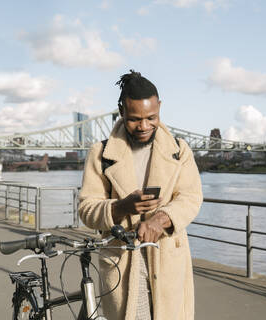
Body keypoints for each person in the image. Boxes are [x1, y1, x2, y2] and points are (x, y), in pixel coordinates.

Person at [78, 70, 203, 320]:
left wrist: (160, 219)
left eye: (152, 117)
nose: (144, 126)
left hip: (168, 260)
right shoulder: (100, 153)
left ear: (160, 108)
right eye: (135, 119)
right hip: (123, 263)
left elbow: (190, 197)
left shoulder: (180, 150)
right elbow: (86, 209)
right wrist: (121, 207)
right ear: (121, 111)